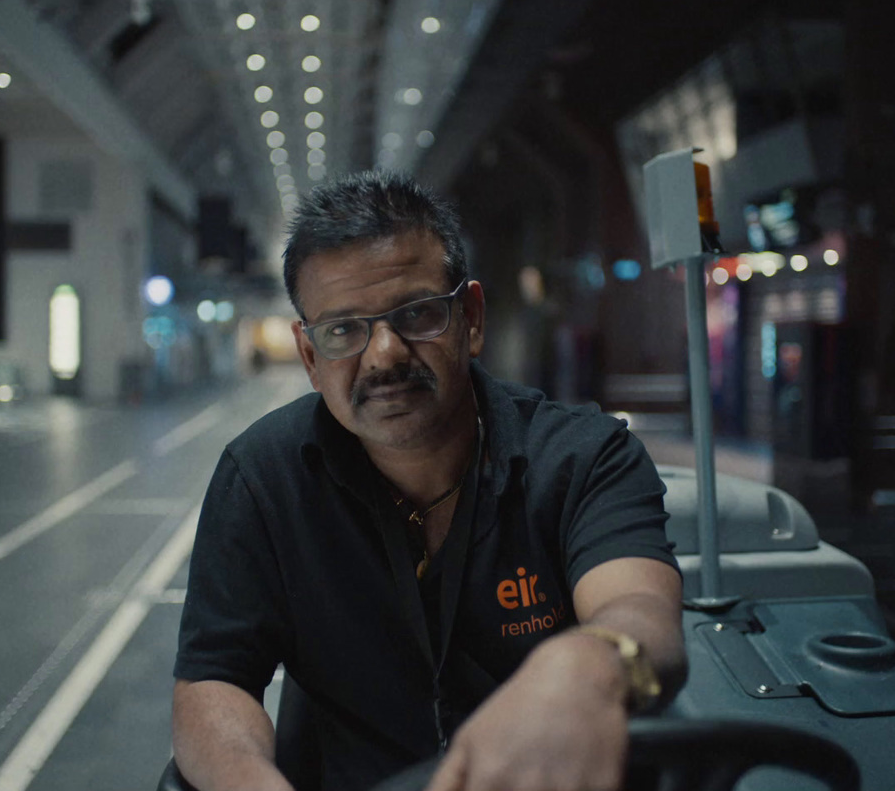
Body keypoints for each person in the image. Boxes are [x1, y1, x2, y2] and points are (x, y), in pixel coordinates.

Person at [172, 170, 686, 791]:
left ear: (470, 318)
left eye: (416, 314)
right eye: (342, 330)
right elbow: (213, 680)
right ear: (310, 357)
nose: (384, 354)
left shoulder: (584, 458)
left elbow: (641, 610)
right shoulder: (262, 479)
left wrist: (588, 664)